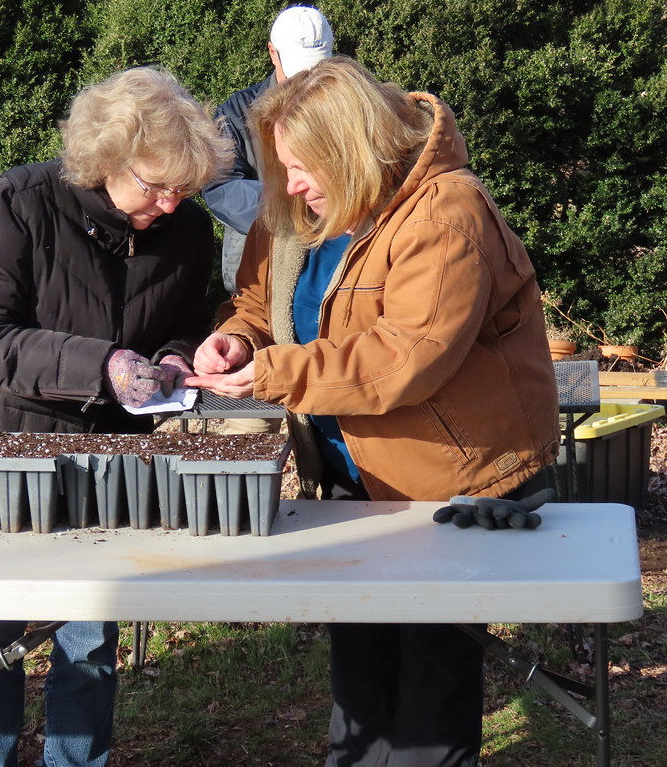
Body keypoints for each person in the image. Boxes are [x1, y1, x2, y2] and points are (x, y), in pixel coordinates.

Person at [186, 57, 560, 767]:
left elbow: (405, 358)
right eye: (282, 168)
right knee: (360, 669)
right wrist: (237, 340)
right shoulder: (299, 210)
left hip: (450, 482)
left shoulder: (446, 212)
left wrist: (270, 374)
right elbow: (260, 303)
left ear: (352, 150)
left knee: (429, 683)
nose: (290, 185)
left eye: (303, 167)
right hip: (350, 481)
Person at [0, 66, 233, 767]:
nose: (172, 204)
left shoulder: (187, 232)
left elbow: (183, 320)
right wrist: (105, 365)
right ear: (106, 158)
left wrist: (175, 359)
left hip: (105, 460)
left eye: (186, 188)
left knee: (88, 637)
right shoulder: (9, 207)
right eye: (156, 186)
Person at [202, 4, 333, 436]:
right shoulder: (235, 114)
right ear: (272, 54)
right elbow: (219, 185)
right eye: (296, 69)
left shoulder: (350, 108)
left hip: (336, 264)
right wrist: (288, 205)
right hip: (260, 271)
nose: (305, 80)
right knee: (251, 420)